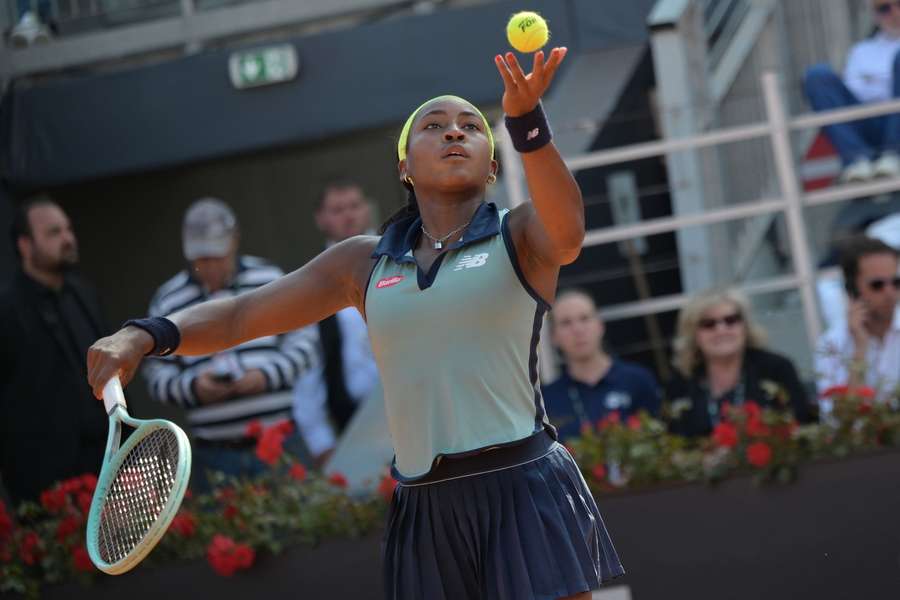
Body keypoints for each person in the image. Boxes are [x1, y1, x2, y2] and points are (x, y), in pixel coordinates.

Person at [87, 48, 623, 600]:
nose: (454, 133)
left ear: (492, 163)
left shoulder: (522, 234)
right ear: (403, 167)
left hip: (523, 485)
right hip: (425, 503)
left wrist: (527, 123)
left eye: (471, 127)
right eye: (433, 127)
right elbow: (242, 315)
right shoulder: (362, 263)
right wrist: (144, 334)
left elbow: (570, 232)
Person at [142, 198, 319, 484]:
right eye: (201, 258)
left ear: (234, 240)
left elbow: (305, 341)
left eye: (217, 256)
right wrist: (194, 388)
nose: (210, 267)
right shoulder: (169, 300)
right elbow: (155, 373)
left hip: (280, 442)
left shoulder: (269, 279)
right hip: (215, 452)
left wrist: (266, 376)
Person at [0, 197, 107, 505]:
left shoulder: (84, 294)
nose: (68, 239)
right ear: (25, 244)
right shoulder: (6, 310)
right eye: (54, 232)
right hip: (44, 484)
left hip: (104, 463)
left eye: (68, 229)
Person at [293, 180, 380, 466]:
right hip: (351, 426)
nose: (349, 215)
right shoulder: (312, 280)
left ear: (367, 209)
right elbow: (307, 369)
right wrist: (321, 443)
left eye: (354, 206)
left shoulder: (403, 260)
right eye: (338, 209)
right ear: (321, 218)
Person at [666, 288, 814, 437]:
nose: (721, 329)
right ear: (693, 334)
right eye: (708, 324)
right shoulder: (680, 383)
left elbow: (802, 425)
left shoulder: (776, 369)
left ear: (745, 326)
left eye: (731, 320)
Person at [542, 289, 660, 439]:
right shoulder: (547, 400)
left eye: (584, 319)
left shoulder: (637, 380)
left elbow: (659, 441)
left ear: (600, 325)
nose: (578, 330)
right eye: (566, 323)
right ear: (554, 337)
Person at [803, 0, 900, 182]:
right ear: (875, 14)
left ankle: (894, 154)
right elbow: (856, 93)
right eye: (884, 8)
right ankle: (856, 160)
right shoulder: (861, 51)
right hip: (869, 119)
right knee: (816, 76)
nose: (894, 12)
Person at [816, 235, 900, 411]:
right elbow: (838, 423)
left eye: (896, 282)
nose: (890, 292)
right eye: (877, 285)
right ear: (852, 290)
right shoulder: (832, 344)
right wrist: (859, 349)